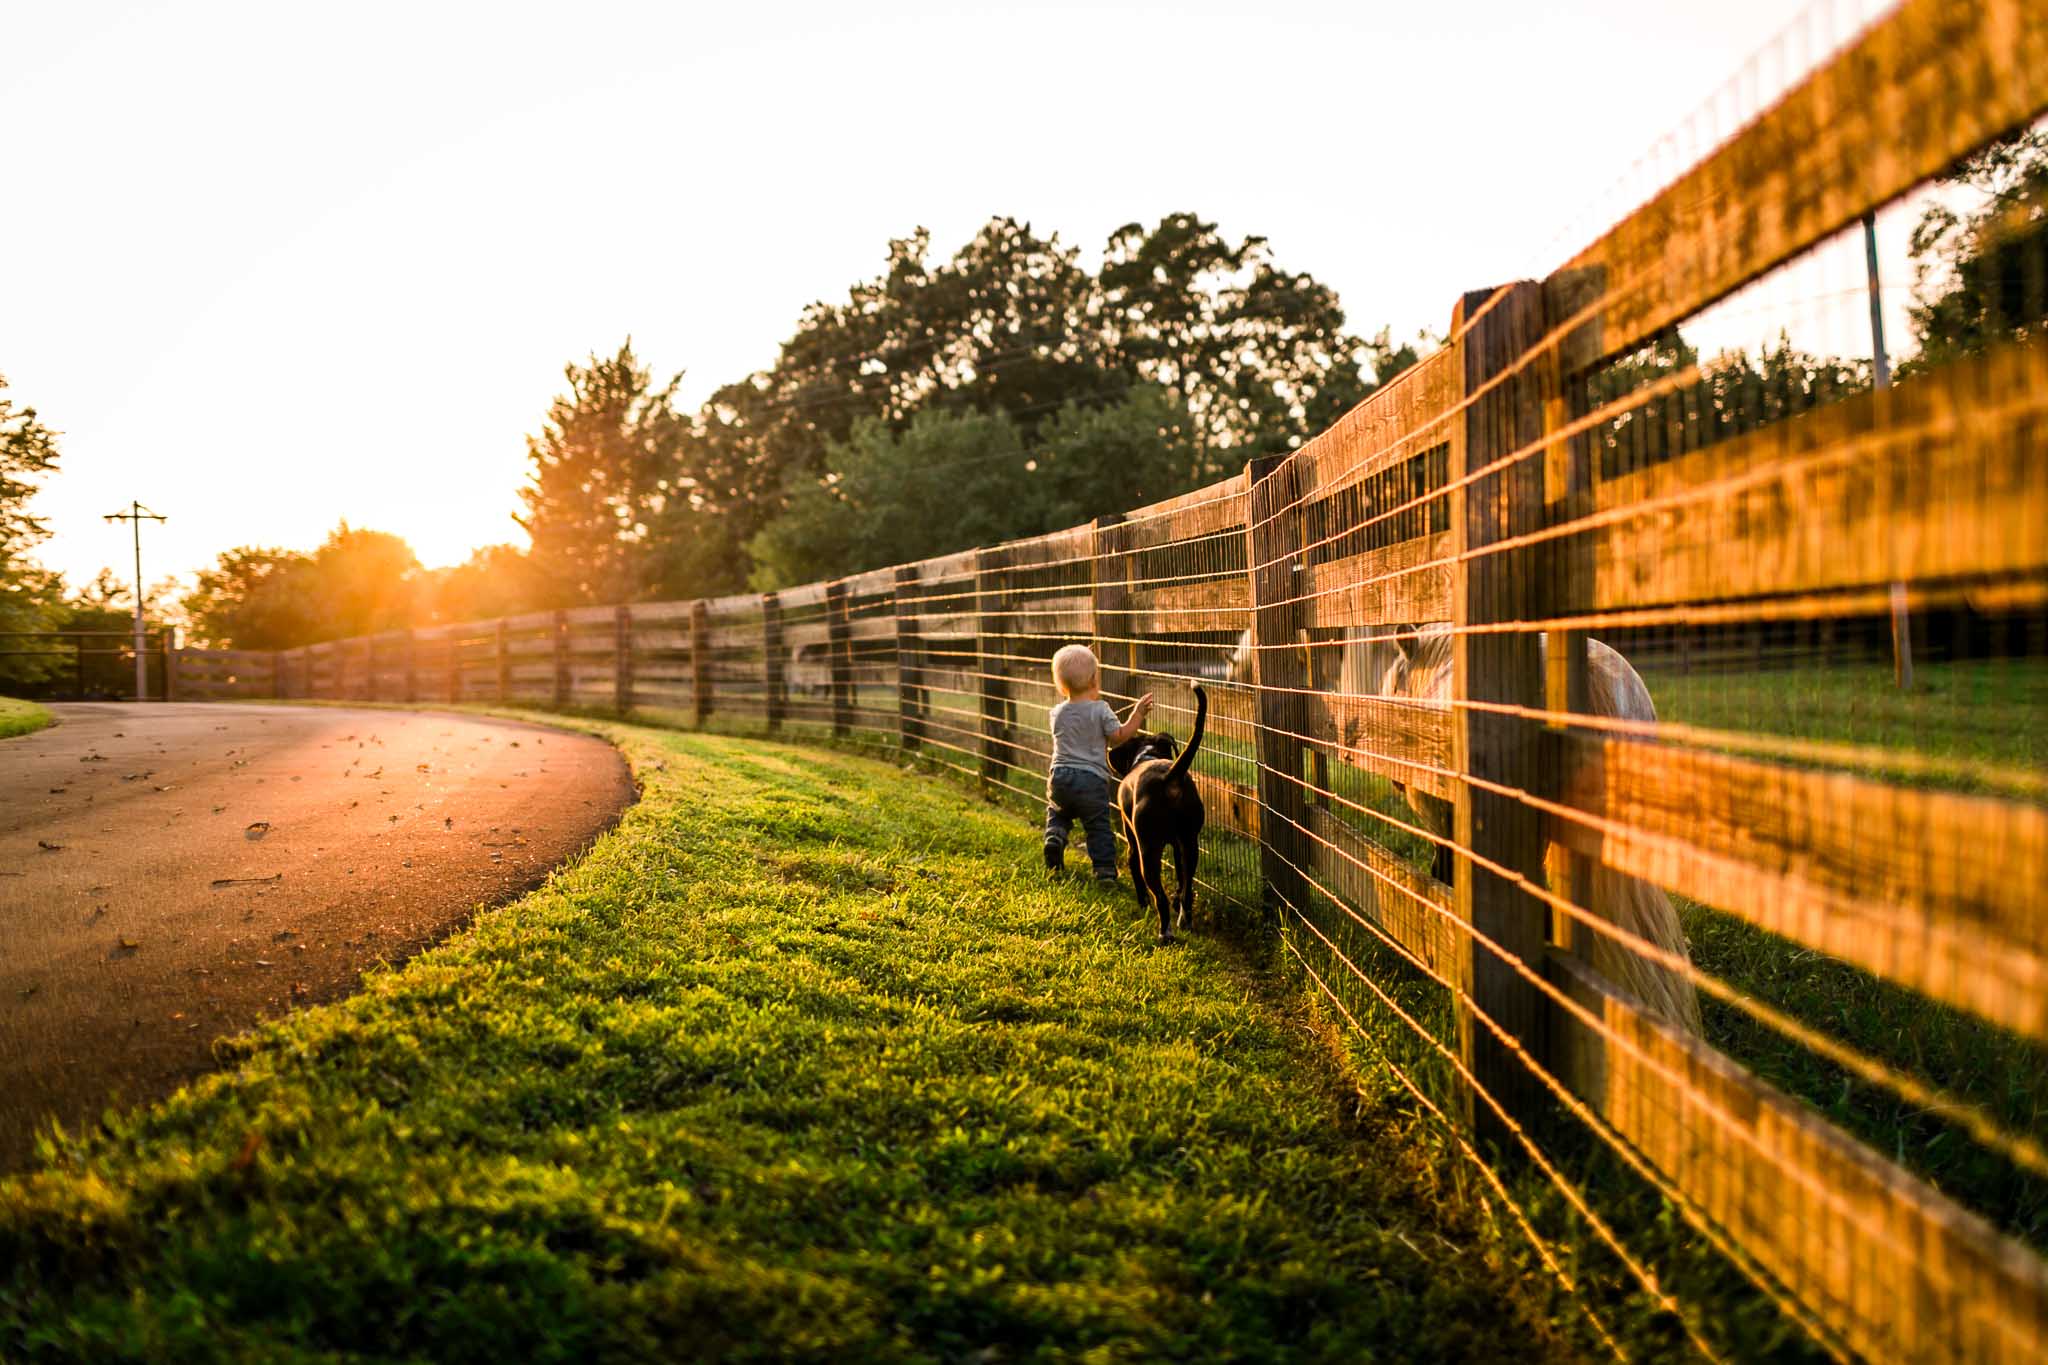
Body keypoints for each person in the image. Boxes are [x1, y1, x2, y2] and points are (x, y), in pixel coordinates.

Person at [1043, 643, 1152, 884]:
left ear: (1061, 685)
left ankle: (1055, 836)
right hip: (1091, 781)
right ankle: (1104, 872)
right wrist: (1138, 714)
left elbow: (1075, 723)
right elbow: (1119, 737)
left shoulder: (1057, 713)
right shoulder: (1101, 710)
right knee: (1098, 827)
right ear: (1094, 680)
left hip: (1059, 777)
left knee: (1058, 812)